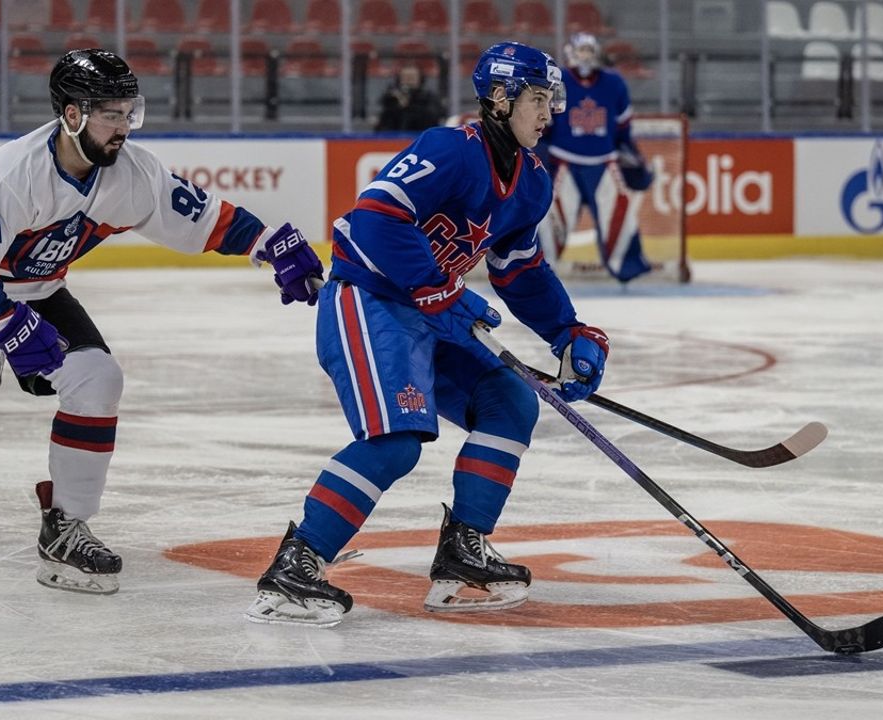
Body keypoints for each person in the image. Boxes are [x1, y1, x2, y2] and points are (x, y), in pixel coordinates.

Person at [0, 49, 324, 601]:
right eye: (111, 114)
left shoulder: (133, 174)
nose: (124, 127)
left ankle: (66, 530)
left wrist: (270, 244)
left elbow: (205, 217)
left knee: (97, 379)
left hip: (36, 288)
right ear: (72, 115)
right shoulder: (7, 178)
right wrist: (10, 330)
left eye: (130, 113)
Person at [245, 41, 612, 627]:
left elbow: (519, 270)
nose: (550, 113)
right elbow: (374, 219)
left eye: (552, 100)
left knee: (510, 402)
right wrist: (434, 287)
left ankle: (463, 554)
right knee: (396, 440)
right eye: (538, 99)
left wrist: (568, 331)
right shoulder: (449, 150)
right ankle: (298, 563)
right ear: (498, 98)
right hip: (372, 303)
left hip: (429, 309)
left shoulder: (534, 182)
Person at [537, 32, 655, 282]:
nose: (586, 58)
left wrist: (632, 154)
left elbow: (623, 129)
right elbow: (544, 125)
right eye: (581, 52)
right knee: (551, 219)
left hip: (604, 162)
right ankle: (536, 269)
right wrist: (540, 156)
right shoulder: (558, 81)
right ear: (570, 53)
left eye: (590, 52)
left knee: (619, 214)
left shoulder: (614, 83)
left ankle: (628, 266)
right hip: (563, 163)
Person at [375, 64, 445, 132]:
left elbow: (433, 118)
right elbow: (383, 123)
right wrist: (396, 106)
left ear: (420, 78)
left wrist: (409, 105)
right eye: (405, 76)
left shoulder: (429, 97)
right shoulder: (391, 97)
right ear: (399, 79)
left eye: (412, 76)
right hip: (395, 139)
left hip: (421, 137)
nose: (409, 79)